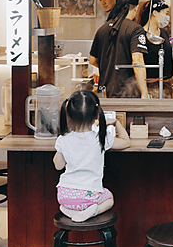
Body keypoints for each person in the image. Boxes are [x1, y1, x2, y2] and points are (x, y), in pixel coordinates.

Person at [53, 90, 130, 222]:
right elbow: (126, 142)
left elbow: (58, 165)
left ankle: (70, 210)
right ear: (96, 115)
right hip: (89, 196)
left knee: (73, 201)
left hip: (64, 195)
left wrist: (61, 148)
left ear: (69, 116)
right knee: (109, 198)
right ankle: (93, 210)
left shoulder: (63, 139)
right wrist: (116, 122)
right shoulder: (100, 138)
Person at [89, 0, 149, 98]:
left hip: (105, 93)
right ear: (136, 8)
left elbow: (92, 60)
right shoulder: (135, 29)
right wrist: (144, 93)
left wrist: (108, 66)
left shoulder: (102, 29)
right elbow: (137, 61)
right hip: (127, 94)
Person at [135, 0, 173, 98]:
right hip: (150, 87)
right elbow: (138, 64)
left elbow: (169, 60)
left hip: (167, 86)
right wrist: (144, 92)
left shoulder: (163, 33)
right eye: (166, 13)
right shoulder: (140, 35)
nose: (167, 17)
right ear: (154, 13)